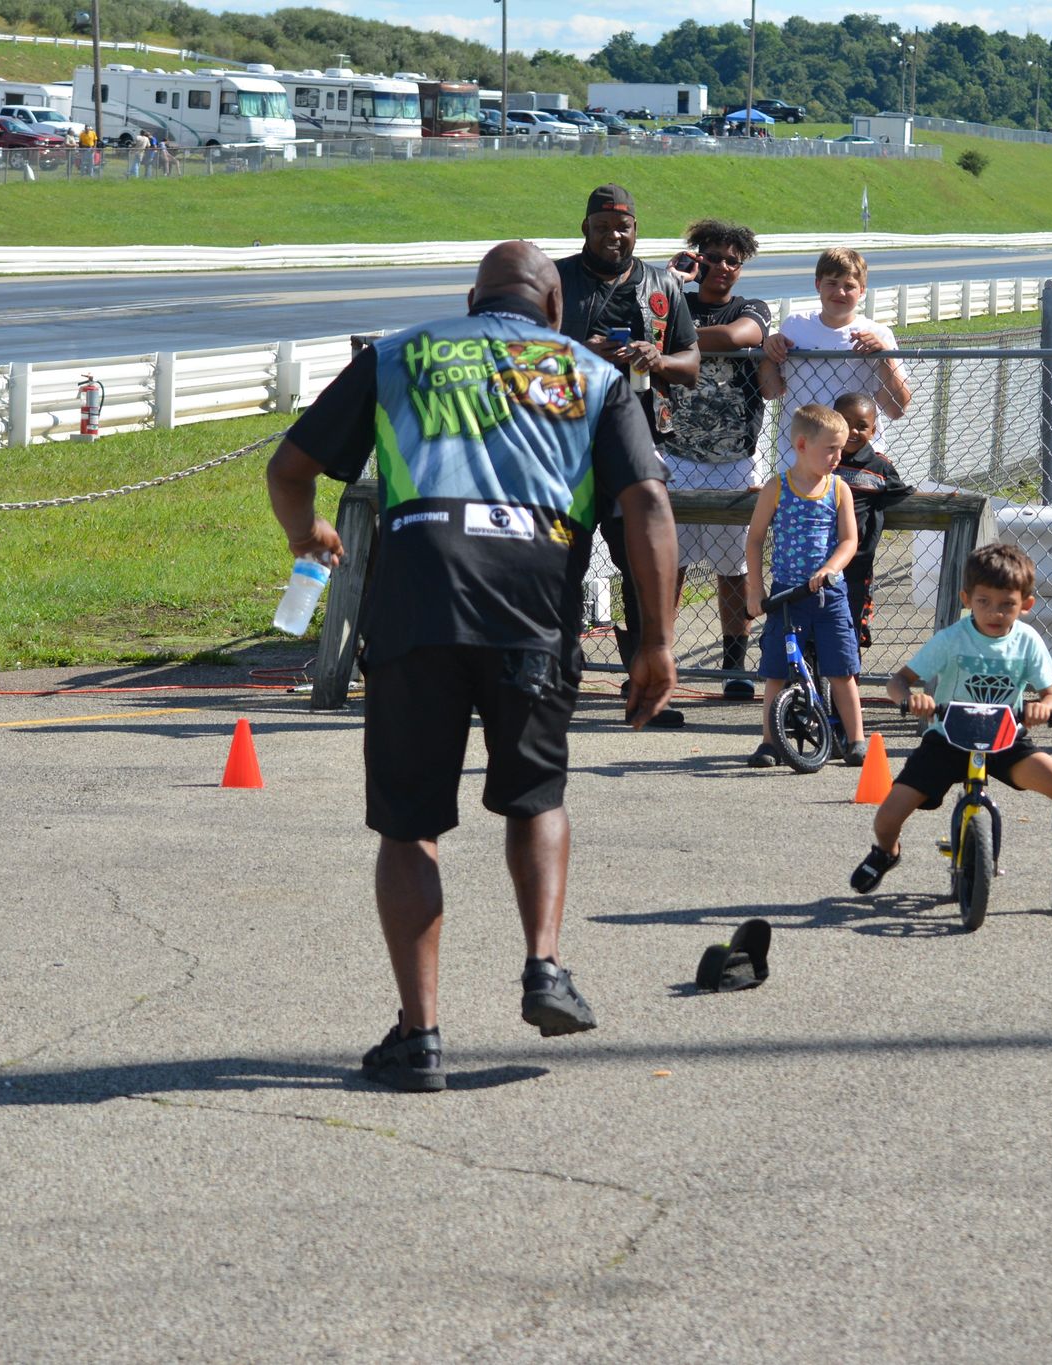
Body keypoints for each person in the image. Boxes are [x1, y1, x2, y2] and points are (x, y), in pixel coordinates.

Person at [263, 241, 679, 1093]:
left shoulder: (398, 355)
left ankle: (419, 1038)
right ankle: (545, 966)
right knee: (537, 795)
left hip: (419, 600)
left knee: (410, 825)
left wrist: (307, 534)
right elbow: (648, 504)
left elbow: (289, 467)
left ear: (469, 298)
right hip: (534, 605)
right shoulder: (591, 376)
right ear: (555, 308)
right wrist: (657, 640)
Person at [847, 542, 1052, 914]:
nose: (994, 612)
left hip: (1004, 737)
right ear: (967, 598)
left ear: (1025, 604)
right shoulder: (952, 640)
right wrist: (910, 699)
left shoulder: (1027, 642)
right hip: (947, 738)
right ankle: (886, 852)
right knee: (887, 816)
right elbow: (898, 680)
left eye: (1006, 604)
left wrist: (1042, 707)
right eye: (984, 602)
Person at [554, 184, 700, 726]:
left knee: (641, 569)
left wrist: (656, 358)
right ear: (585, 229)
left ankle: (643, 687)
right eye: (602, 227)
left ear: (636, 229)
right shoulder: (558, 279)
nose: (614, 236)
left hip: (638, 444)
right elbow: (520, 348)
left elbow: (692, 363)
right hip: (566, 443)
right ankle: (554, 683)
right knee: (558, 564)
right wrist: (580, 353)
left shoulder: (663, 283)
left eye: (624, 227)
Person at [663, 217, 772, 702]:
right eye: (714, 257)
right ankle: (658, 657)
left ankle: (734, 665)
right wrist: (671, 281)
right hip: (675, 453)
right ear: (695, 258)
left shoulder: (750, 307)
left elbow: (736, 337)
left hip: (733, 459)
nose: (723, 267)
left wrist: (672, 338)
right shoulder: (671, 300)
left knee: (733, 568)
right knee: (670, 565)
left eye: (734, 260)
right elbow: (637, 321)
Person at [742, 403, 865, 769]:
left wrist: (829, 569)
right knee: (776, 672)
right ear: (801, 445)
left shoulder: (839, 488)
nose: (837, 457)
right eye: (830, 449)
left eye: (840, 449)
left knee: (841, 670)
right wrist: (755, 588)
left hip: (829, 596)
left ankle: (856, 739)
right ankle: (769, 742)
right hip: (786, 596)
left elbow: (849, 541)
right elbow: (755, 540)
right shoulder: (777, 487)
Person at [759, 247, 913, 464]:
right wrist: (768, 349)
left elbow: (897, 409)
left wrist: (884, 356)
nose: (840, 292)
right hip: (799, 456)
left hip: (856, 458)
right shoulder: (795, 325)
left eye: (849, 286)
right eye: (832, 283)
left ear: (862, 291)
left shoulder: (878, 334)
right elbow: (772, 391)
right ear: (817, 285)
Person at [830, 390, 911, 651]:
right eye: (846, 423)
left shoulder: (879, 467)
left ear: (873, 431)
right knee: (813, 625)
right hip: (817, 557)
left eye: (862, 426)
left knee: (849, 628)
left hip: (857, 563)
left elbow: (903, 495)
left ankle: (847, 682)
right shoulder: (822, 460)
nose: (853, 431)